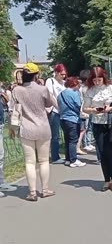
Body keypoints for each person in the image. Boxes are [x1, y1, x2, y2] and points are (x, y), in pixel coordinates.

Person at [11, 63, 57, 201]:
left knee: (29, 162)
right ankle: (45, 189)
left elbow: (13, 109)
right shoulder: (42, 89)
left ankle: (32, 192)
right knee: (43, 161)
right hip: (43, 127)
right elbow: (49, 105)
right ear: (36, 74)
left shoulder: (16, 90)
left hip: (26, 128)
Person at [83, 67, 112, 192]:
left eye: (99, 80)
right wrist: (94, 110)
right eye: (95, 80)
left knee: (111, 151)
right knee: (102, 152)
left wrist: (111, 108)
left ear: (103, 78)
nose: (97, 83)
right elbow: (85, 108)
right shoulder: (89, 91)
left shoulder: (110, 88)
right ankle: (106, 180)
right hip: (97, 122)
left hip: (111, 122)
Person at [58, 77, 87, 168]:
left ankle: (68, 159)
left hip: (63, 119)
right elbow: (79, 105)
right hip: (73, 119)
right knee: (73, 140)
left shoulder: (61, 94)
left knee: (67, 139)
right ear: (74, 84)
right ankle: (73, 160)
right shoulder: (74, 93)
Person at [45, 64, 67, 164]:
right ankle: (55, 156)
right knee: (55, 135)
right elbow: (49, 95)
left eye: (65, 74)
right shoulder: (50, 81)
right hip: (55, 111)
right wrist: (58, 106)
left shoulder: (63, 83)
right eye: (62, 74)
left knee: (66, 133)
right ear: (57, 73)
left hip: (64, 111)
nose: (63, 76)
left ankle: (68, 154)